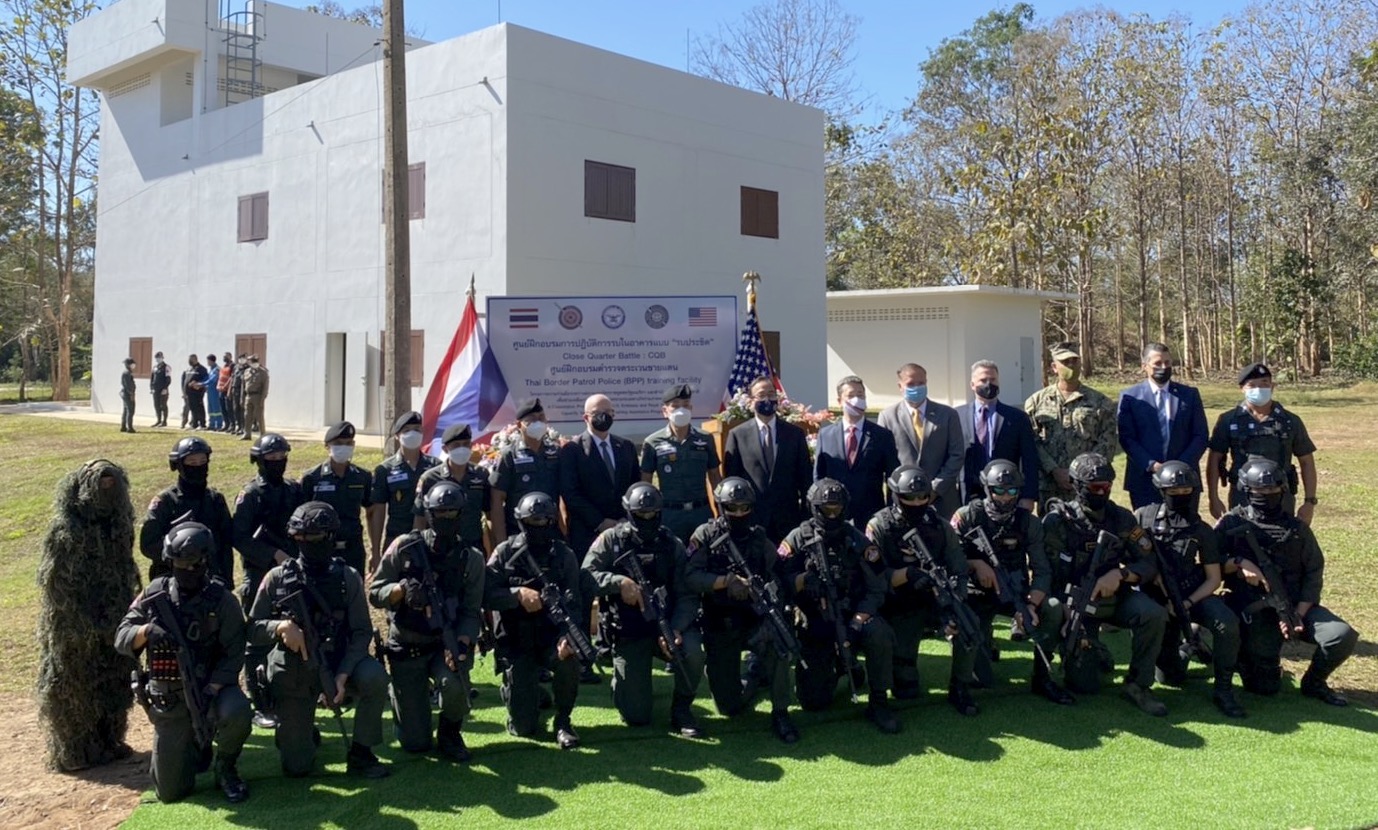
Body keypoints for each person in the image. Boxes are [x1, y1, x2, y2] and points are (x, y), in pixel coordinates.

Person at [248, 501, 391, 778]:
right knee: (297, 767)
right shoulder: (277, 578)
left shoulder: (347, 577)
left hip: (338, 661)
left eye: (315, 537)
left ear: (330, 537)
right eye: (302, 538)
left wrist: (343, 674)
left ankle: (362, 752)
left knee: (374, 677)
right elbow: (252, 629)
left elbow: (362, 631)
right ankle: (299, 730)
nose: (309, 543)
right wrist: (280, 627)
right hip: (295, 673)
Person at [117, 522, 252, 803]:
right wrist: (145, 631)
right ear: (170, 561)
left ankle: (225, 766)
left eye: (194, 564)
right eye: (180, 563)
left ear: (205, 561)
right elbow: (121, 636)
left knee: (237, 711)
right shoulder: (155, 594)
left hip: (210, 691)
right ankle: (189, 749)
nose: (188, 569)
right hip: (170, 702)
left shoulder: (222, 600)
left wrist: (213, 687)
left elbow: (234, 653)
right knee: (170, 793)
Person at [1216, 458, 1358, 707]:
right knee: (1264, 687)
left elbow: (1314, 573)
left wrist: (1297, 615)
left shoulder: (1297, 529)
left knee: (1340, 635)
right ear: (1247, 490)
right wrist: (1238, 563)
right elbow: (1212, 563)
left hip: (1295, 605)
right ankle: (1233, 653)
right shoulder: (1232, 523)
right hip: (1252, 609)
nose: (1267, 494)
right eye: (1260, 490)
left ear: (1283, 489)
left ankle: (1314, 682)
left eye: (1273, 489)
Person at [1043, 453, 1169, 715]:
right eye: (1095, 487)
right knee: (1084, 686)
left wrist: (1122, 575)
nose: (1102, 492)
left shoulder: (1122, 518)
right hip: (1075, 605)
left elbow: (1148, 561)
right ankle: (1093, 649)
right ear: (1077, 486)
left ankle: (1139, 684)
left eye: (1107, 486)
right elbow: (1049, 574)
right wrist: (1067, 613)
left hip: (1115, 598)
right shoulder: (1059, 522)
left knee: (1153, 613)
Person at [369, 482, 486, 761]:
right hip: (406, 644)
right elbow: (375, 592)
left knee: (456, 684)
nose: (446, 518)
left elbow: (471, 612)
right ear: (429, 513)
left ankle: (450, 733)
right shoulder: (404, 546)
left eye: (452, 513)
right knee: (415, 743)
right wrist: (400, 590)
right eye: (440, 512)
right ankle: (402, 697)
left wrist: (461, 643)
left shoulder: (471, 558)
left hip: (443, 645)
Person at [37, 460, 141, 771]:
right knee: (76, 690)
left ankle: (109, 741)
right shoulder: (66, 532)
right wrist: (86, 626)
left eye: (112, 484)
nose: (107, 491)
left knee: (114, 682)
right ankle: (77, 751)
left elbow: (125, 570)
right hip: (76, 630)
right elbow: (59, 588)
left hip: (115, 619)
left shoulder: (119, 526)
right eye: (101, 485)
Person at [779, 479, 900, 734]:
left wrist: (858, 620)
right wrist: (803, 580)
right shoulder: (797, 538)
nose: (832, 515)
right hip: (814, 622)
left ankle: (879, 701)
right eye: (827, 510)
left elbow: (877, 588)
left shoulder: (857, 540)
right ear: (814, 508)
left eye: (837, 509)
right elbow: (779, 582)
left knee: (878, 632)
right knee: (813, 702)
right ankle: (842, 668)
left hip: (852, 616)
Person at [583, 482, 705, 737]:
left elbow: (687, 595)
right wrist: (618, 583)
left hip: (666, 626)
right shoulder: (612, 539)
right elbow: (586, 577)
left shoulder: (671, 544)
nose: (647, 519)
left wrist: (676, 628)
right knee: (636, 716)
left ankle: (682, 708)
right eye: (641, 514)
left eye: (652, 513)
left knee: (692, 651)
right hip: (629, 631)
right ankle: (624, 684)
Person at [951, 460, 1075, 706]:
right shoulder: (967, 516)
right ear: (987, 489)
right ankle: (959, 686)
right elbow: (950, 559)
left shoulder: (1029, 523)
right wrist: (976, 564)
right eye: (999, 490)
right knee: (981, 672)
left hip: (1015, 592)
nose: (1006, 497)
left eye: (1012, 491)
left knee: (1051, 608)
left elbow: (1042, 571)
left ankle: (1042, 678)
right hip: (975, 594)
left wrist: (1031, 605)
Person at [685, 476, 799, 742]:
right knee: (728, 707)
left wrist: (772, 595)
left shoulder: (759, 538)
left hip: (755, 620)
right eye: (731, 508)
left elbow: (780, 573)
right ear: (720, 506)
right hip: (720, 624)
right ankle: (751, 674)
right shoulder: (705, 535)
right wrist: (724, 582)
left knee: (780, 642)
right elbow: (690, 577)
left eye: (744, 508)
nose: (738, 514)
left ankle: (781, 711)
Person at [865, 466, 982, 715]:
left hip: (935, 599)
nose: (917, 503)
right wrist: (907, 575)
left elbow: (960, 570)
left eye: (923, 497)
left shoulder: (940, 526)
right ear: (896, 496)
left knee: (968, 623)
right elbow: (874, 578)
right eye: (910, 498)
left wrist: (954, 601)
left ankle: (960, 686)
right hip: (898, 605)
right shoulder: (880, 526)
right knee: (906, 689)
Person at [1135, 461, 1246, 718]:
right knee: (1170, 677)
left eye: (1186, 491)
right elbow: (1130, 556)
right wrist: (1152, 576)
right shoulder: (1143, 517)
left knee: (1226, 622)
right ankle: (1189, 646)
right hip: (1156, 599)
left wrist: (1186, 603)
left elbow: (1213, 579)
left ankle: (1224, 688)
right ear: (1161, 491)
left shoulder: (1201, 530)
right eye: (1173, 492)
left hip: (1192, 594)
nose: (1180, 496)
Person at [485, 492, 590, 749]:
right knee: (524, 728)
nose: (539, 527)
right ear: (521, 522)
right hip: (516, 642)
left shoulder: (564, 555)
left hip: (550, 638)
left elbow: (575, 603)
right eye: (533, 522)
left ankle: (563, 721)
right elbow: (484, 594)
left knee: (569, 658)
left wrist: (566, 636)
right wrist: (516, 594)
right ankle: (526, 691)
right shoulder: (505, 552)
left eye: (544, 521)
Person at [232, 433, 305, 729]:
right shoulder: (250, 495)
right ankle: (260, 704)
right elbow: (239, 537)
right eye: (271, 458)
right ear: (259, 461)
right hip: (259, 574)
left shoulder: (294, 491)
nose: (278, 462)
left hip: (291, 571)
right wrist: (272, 554)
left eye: (281, 457)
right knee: (257, 638)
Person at [1206, 362, 1319, 525]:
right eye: (1252, 385)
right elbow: (1215, 459)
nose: (1259, 389)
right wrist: (1213, 498)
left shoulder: (1289, 421)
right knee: (1241, 537)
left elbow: (1306, 461)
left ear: (1272, 386)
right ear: (1242, 388)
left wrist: (1309, 502)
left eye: (1264, 383)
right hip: (1242, 496)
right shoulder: (1228, 420)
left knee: (1281, 538)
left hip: (1281, 496)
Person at [1023, 341, 1119, 510]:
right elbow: (1032, 442)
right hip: (1050, 485)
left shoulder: (1100, 402)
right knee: (1051, 526)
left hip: (1088, 486)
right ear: (1054, 367)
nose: (1071, 365)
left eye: (1075, 361)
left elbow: (1108, 442)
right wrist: (1054, 470)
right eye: (1065, 362)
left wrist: (1083, 472)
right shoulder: (1036, 402)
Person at [1116, 343, 1209, 509]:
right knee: (1148, 524)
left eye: (1167, 362)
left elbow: (1200, 435)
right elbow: (1127, 438)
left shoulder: (1190, 395)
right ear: (1144, 366)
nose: (1164, 367)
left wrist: (1180, 466)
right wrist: (1151, 465)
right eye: (1158, 363)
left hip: (1184, 480)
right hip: (1145, 480)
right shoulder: (1130, 397)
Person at [723, 376, 812, 542]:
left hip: (788, 520)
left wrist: (806, 518)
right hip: (752, 520)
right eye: (761, 395)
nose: (767, 399)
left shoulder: (795, 434)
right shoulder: (737, 435)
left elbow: (805, 478)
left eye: (771, 394)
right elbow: (732, 479)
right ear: (751, 401)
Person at [876, 363, 965, 518]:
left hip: (942, 500)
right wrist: (906, 491)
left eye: (921, 383)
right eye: (911, 384)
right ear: (900, 386)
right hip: (903, 501)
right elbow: (883, 460)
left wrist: (935, 489)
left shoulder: (948, 414)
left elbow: (957, 455)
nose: (916, 387)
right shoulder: (887, 416)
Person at [139, 437, 234, 582]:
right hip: (172, 579)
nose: (198, 466)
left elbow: (226, 544)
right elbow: (148, 545)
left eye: (202, 462)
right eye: (192, 463)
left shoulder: (215, 500)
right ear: (178, 465)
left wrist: (226, 580)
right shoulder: (165, 501)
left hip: (210, 579)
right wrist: (181, 553)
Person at [640, 384, 722, 544]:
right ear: (665, 411)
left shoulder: (705, 438)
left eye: (685, 405)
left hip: (701, 512)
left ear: (691, 409)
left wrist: (721, 511)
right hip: (670, 514)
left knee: (705, 554)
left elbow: (715, 477)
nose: (681, 410)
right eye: (675, 406)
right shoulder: (652, 442)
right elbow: (646, 482)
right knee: (671, 555)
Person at [814, 375, 899, 527]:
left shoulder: (882, 436)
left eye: (860, 395)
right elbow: (818, 476)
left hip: (872, 516)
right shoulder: (825, 435)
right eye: (851, 395)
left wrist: (890, 513)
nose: (857, 400)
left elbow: (892, 477)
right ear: (840, 401)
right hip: (834, 514)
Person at [561, 394, 640, 556]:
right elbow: (570, 493)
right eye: (598, 413)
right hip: (587, 533)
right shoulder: (572, 450)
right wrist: (600, 522)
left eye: (608, 412)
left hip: (624, 528)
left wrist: (625, 517)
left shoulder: (626, 447)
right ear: (586, 417)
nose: (604, 416)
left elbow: (634, 485)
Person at [959, 361, 1039, 511]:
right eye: (983, 380)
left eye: (993, 380)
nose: (988, 384)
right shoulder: (957, 416)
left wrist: (1028, 496)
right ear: (972, 385)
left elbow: (1029, 459)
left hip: (1005, 493)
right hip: (967, 494)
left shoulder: (1017, 417)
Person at [301, 421, 374, 577]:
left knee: (354, 588)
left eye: (348, 443)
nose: (344, 447)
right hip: (322, 547)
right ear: (327, 446)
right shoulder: (312, 478)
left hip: (353, 548)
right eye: (338, 443)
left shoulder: (362, 477)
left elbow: (371, 511)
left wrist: (374, 549)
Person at [369, 411, 439, 571]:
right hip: (396, 537)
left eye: (417, 429)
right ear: (397, 436)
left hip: (429, 538)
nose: (412, 434)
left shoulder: (435, 467)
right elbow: (378, 511)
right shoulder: (385, 469)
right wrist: (375, 551)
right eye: (407, 430)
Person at [489, 398, 562, 546]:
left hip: (551, 531)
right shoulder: (509, 455)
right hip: (519, 533)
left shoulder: (555, 452)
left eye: (541, 418)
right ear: (519, 425)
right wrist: (502, 541)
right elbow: (497, 499)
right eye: (532, 419)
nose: (538, 422)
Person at [414, 423, 492, 552]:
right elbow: (420, 517)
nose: (462, 449)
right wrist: (419, 550)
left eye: (466, 444)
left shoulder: (481, 475)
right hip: (438, 549)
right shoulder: (430, 478)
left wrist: (493, 547)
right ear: (445, 449)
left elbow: (490, 514)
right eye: (456, 445)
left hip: (473, 547)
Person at [240, 354, 269, 442]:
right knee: (247, 416)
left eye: (251, 361)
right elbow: (243, 386)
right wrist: (242, 398)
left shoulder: (263, 372)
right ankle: (247, 434)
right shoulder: (247, 371)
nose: (250, 363)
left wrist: (262, 399)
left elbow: (265, 387)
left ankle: (262, 434)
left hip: (258, 396)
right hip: (248, 396)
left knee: (259, 416)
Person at [183, 354, 208, 430]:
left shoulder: (201, 369)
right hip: (189, 392)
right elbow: (184, 380)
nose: (189, 361)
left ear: (195, 359)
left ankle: (202, 424)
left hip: (197, 392)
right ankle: (194, 424)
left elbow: (205, 379)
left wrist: (198, 383)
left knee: (199, 407)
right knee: (192, 408)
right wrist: (184, 392)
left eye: (191, 359)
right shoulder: (188, 369)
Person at [150, 351, 172, 427]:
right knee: (156, 405)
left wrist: (165, 388)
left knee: (163, 405)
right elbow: (152, 379)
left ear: (162, 358)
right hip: (155, 389)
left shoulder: (166, 367)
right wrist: (151, 388)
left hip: (163, 389)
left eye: (159, 358)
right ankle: (158, 420)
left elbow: (168, 379)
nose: (158, 359)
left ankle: (164, 421)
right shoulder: (155, 367)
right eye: (157, 358)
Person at [217, 352, 236, 434]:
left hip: (228, 390)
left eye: (226, 356)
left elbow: (231, 378)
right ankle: (226, 424)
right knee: (223, 408)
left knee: (229, 409)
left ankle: (232, 425)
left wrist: (225, 386)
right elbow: (220, 377)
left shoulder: (232, 366)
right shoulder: (224, 366)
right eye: (224, 356)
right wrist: (218, 386)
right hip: (221, 390)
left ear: (230, 357)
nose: (224, 358)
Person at [205, 354, 223, 431]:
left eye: (208, 361)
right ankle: (211, 424)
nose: (207, 362)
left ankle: (218, 424)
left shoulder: (217, 369)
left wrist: (201, 384)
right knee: (210, 408)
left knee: (216, 408)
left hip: (215, 392)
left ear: (211, 361)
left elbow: (212, 380)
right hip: (210, 391)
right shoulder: (211, 370)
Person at [120, 357, 137, 433]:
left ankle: (123, 426)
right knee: (130, 410)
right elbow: (127, 385)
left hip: (126, 393)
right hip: (128, 393)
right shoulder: (127, 373)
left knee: (126, 410)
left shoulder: (127, 372)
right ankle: (129, 427)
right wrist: (131, 393)